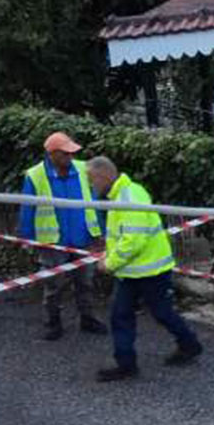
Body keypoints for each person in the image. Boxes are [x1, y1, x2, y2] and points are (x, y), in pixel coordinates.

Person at [86, 156, 202, 380]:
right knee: (122, 316)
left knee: (161, 313)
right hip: (133, 271)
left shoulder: (128, 196)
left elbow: (133, 241)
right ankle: (126, 363)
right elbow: (125, 238)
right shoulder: (122, 194)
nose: (92, 186)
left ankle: (189, 344)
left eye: (92, 181)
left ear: (103, 176)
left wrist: (109, 264)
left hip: (149, 271)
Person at [17, 132, 108, 341]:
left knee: (86, 282)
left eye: (72, 153)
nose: (71, 157)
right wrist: (27, 238)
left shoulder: (83, 170)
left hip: (83, 238)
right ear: (52, 154)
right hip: (53, 243)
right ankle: (53, 323)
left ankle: (87, 319)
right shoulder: (35, 175)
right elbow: (27, 209)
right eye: (66, 154)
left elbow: (95, 203)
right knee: (53, 285)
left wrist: (101, 232)